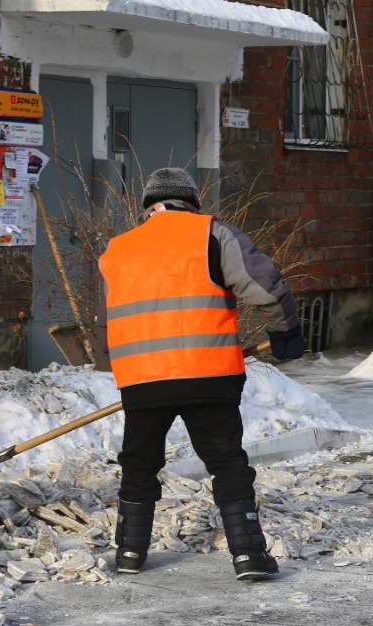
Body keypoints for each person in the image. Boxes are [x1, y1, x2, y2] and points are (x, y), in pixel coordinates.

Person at [95, 167, 305, 580]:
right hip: (208, 373)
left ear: (148, 206)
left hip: (142, 379)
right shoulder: (211, 233)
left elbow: (106, 322)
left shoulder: (118, 248)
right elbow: (263, 286)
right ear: (191, 202)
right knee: (226, 461)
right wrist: (286, 332)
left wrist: (111, 367)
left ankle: (129, 553)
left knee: (138, 463)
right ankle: (247, 554)